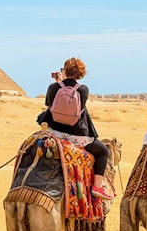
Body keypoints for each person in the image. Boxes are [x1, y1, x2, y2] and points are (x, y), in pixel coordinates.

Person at [41, 57, 112, 200]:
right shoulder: (83, 90)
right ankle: (97, 187)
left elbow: (49, 106)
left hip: (54, 133)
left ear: (65, 70)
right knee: (104, 151)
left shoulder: (53, 87)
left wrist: (59, 83)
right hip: (77, 137)